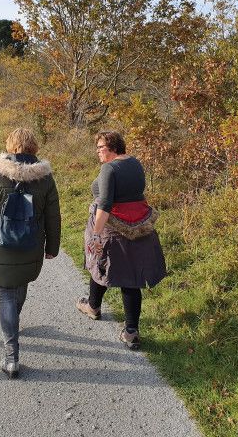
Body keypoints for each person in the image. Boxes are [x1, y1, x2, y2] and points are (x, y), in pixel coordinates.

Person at [0, 128, 61, 378]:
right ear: (34, 147)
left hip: (1, 246)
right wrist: (52, 247)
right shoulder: (45, 178)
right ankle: (13, 324)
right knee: (19, 286)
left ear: (10, 146)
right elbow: (53, 215)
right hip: (31, 246)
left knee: (6, 295)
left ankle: (11, 357)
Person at [76, 131, 166, 350]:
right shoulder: (135, 163)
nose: (98, 151)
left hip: (113, 227)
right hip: (139, 225)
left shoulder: (109, 168)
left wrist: (96, 233)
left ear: (113, 147)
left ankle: (94, 307)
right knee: (131, 277)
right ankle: (131, 331)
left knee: (100, 263)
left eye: (101, 147)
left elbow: (105, 203)